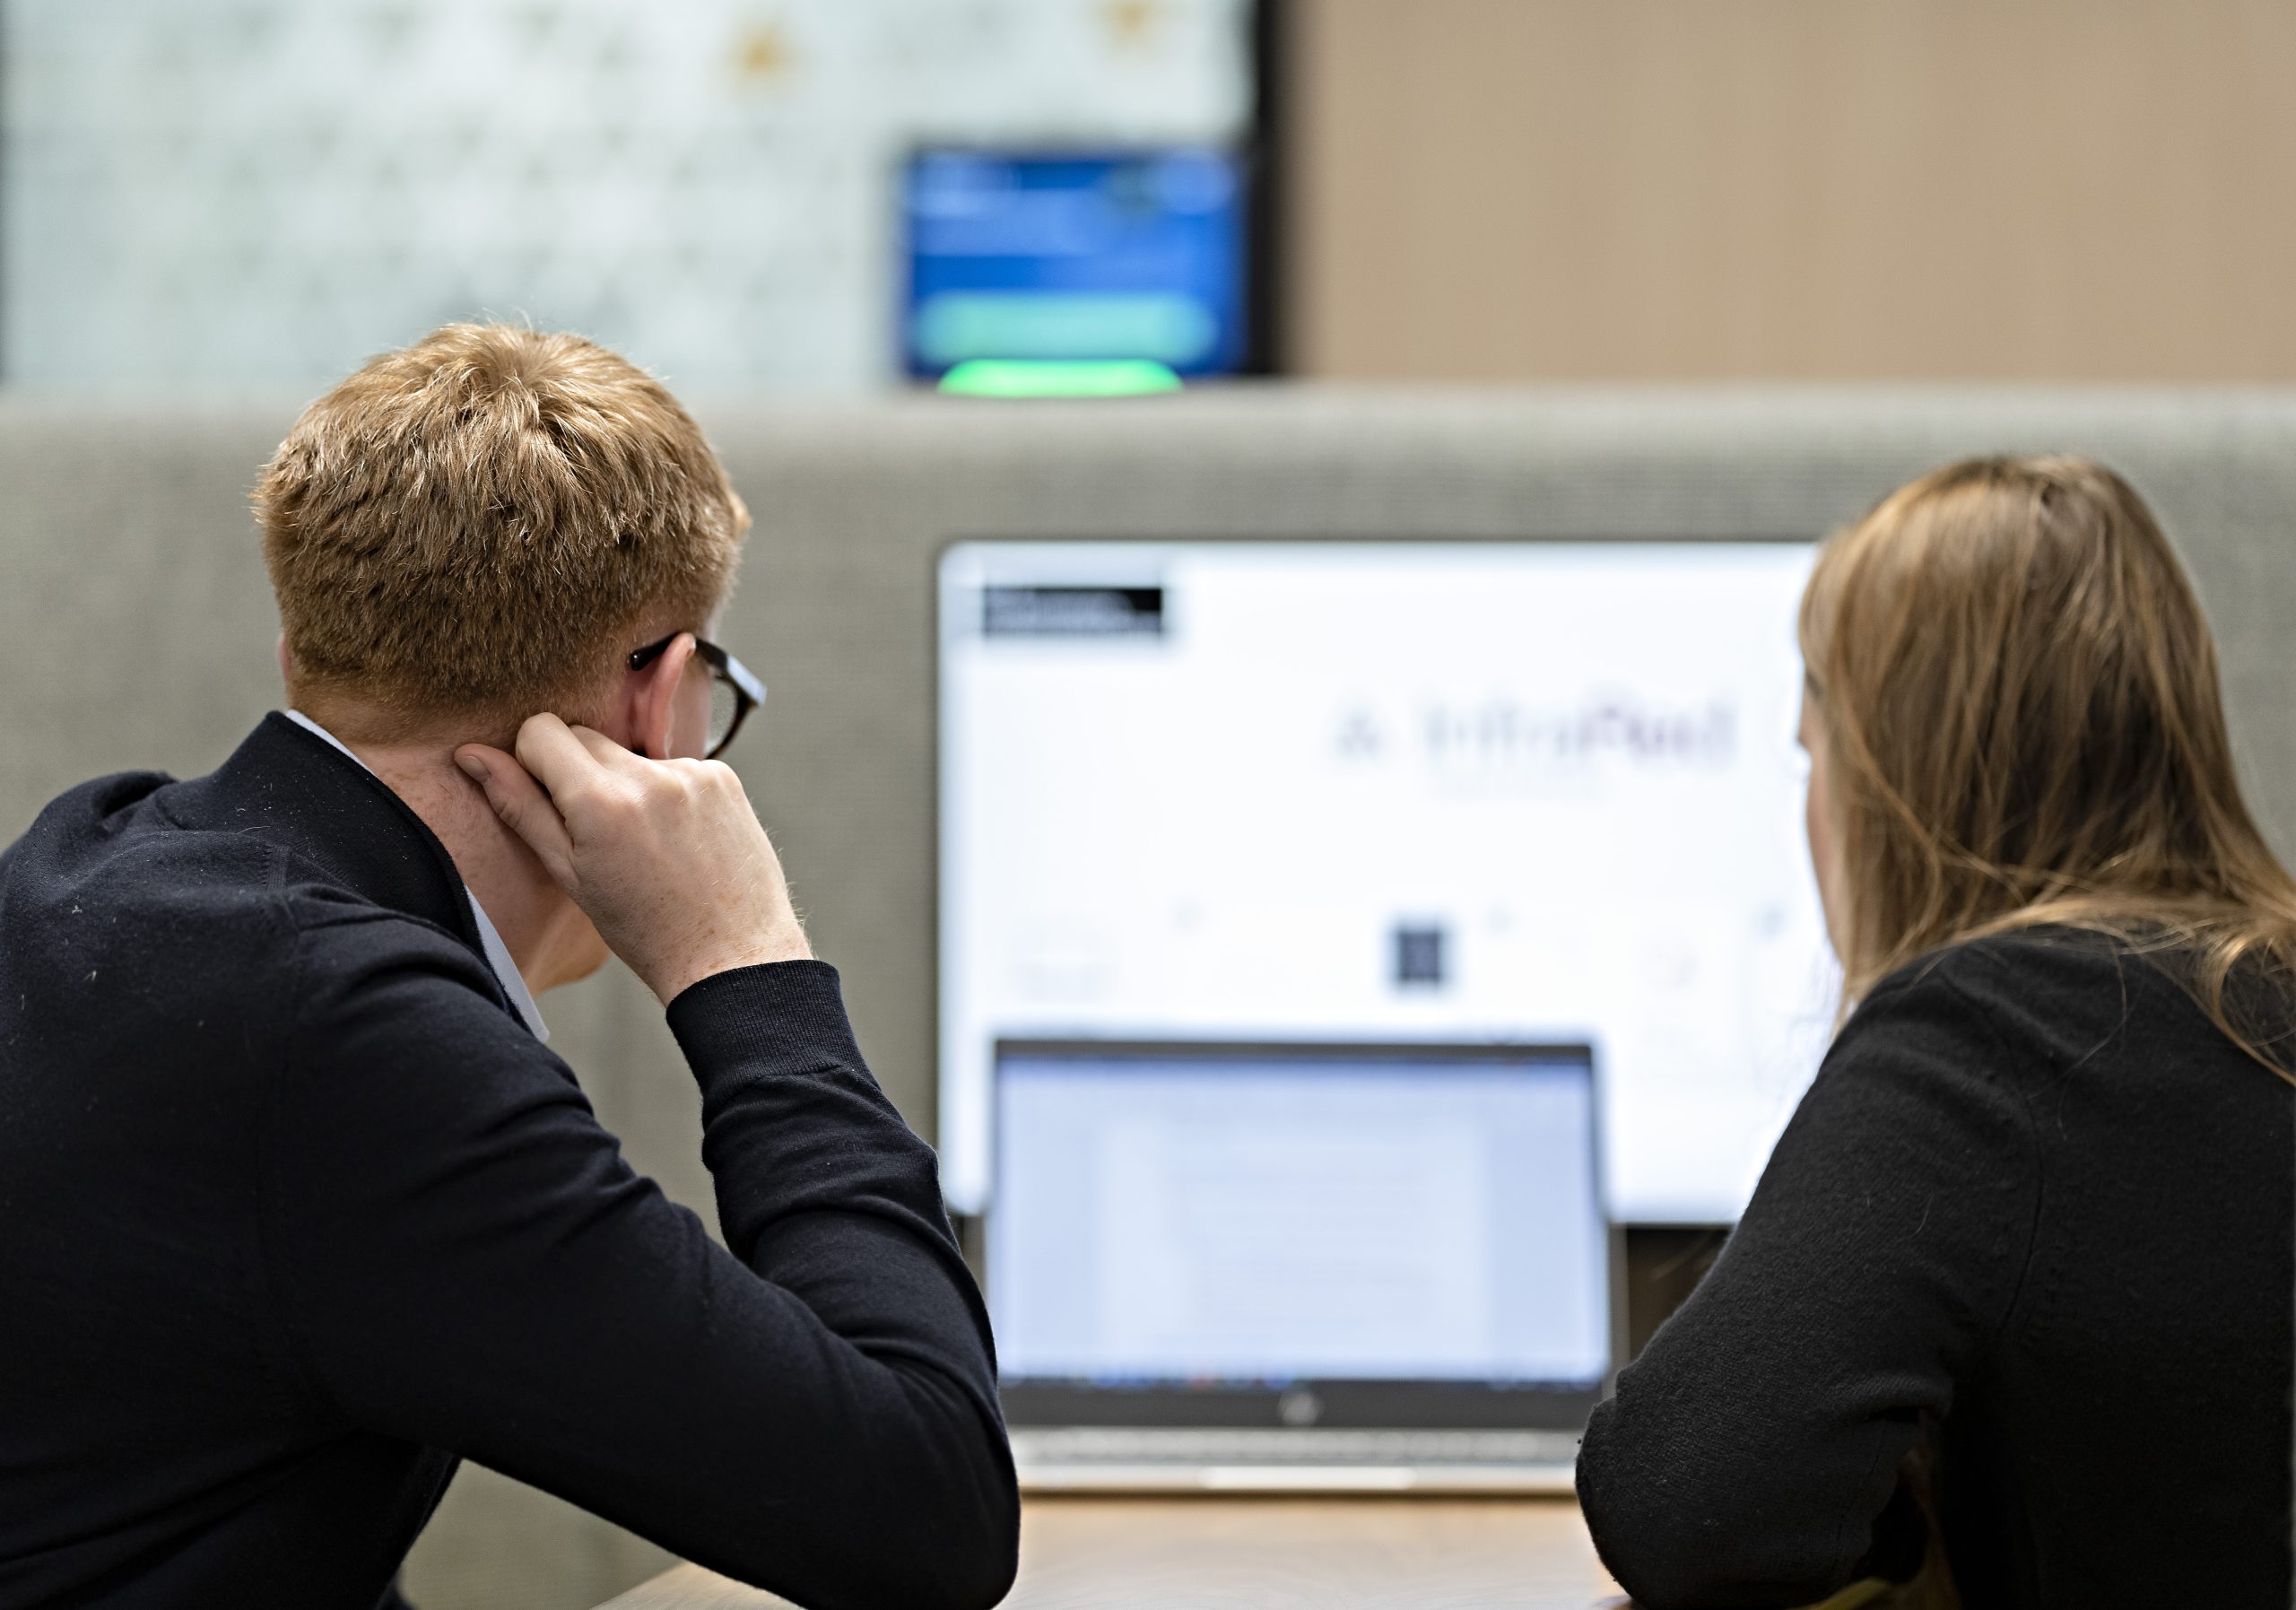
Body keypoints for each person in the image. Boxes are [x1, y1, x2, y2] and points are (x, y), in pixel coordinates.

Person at [0, 325, 1019, 1610]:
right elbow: (927, 1506)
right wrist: (745, 961)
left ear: (303, 656)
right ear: (657, 703)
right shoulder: (349, 1039)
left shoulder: (95, 859)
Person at [1576, 457, 2294, 1606]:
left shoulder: (1993, 1031)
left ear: (1886, 784)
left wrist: (1894, 1533)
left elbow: (1684, 1501)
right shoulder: (2261, 988)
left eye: (1813, 755)